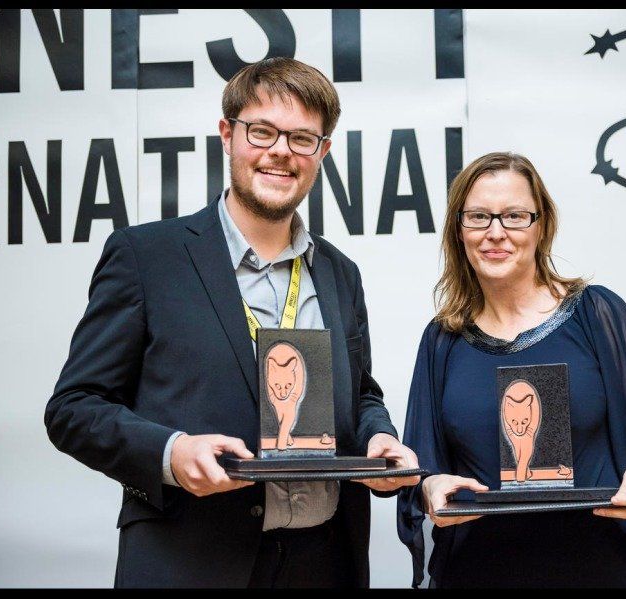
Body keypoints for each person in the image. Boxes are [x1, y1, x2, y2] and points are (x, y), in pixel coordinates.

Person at [45, 57, 419, 588]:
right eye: (262, 131)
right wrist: (172, 452)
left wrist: (378, 437)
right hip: (192, 561)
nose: (280, 152)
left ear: (323, 152)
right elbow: (73, 409)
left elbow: (360, 394)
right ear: (228, 134)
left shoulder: (340, 273)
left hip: (325, 563)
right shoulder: (147, 257)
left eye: (302, 138)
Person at [397, 152, 626, 588]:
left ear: (541, 227)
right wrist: (427, 488)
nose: (496, 233)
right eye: (479, 217)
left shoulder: (597, 315)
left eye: (515, 216)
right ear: (458, 230)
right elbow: (420, 473)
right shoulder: (441, 339)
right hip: (480, 572)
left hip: (600, 569)